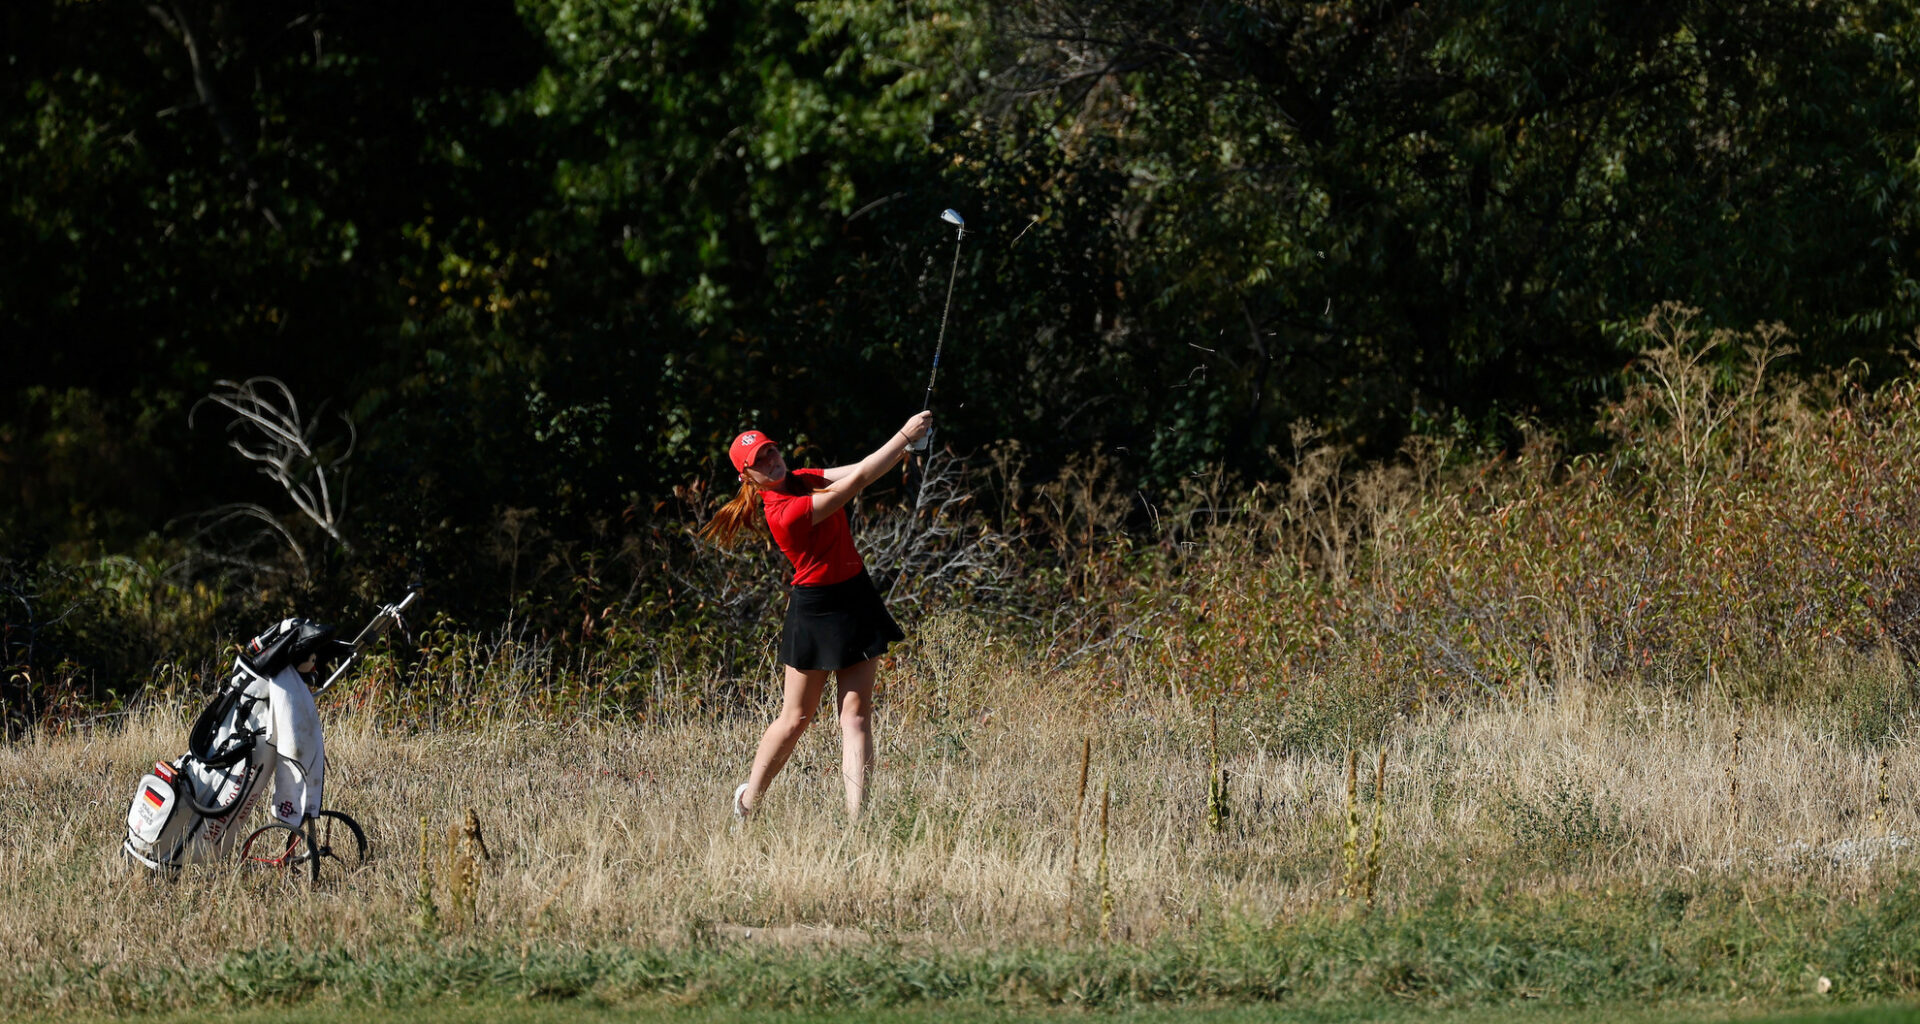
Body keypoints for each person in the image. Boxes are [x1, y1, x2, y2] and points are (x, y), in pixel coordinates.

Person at [703, 411, 933, 820]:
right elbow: (859, 480)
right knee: (796, 717)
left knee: (857, 715)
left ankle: (857, 823)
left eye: (771, 450)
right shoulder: (783, 513)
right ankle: (747, 802)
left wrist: (907, 447)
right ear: (747, 477)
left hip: (855, 596)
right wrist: (903, 435)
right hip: (816, 610)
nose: (772, 459)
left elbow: (863, 466)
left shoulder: (804, 476)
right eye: (760, 460)